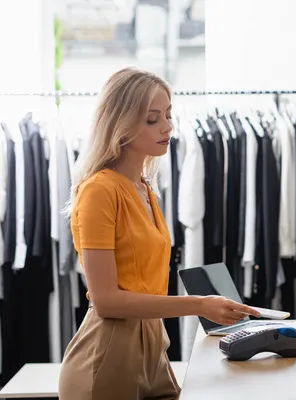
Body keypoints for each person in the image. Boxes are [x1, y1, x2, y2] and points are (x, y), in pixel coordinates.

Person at [58, 67, 260, 399]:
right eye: (152, 119)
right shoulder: (100, 191)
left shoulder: (144, 188)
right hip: (108, 353)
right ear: (120, 124)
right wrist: (199, 304)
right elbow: (107, 301)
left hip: (152, 345)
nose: (168, 126)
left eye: (167, 115)